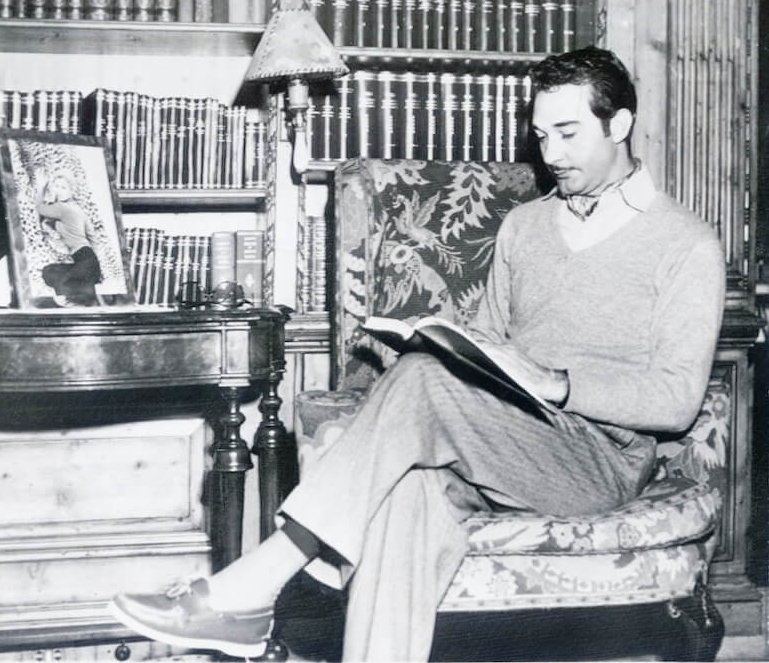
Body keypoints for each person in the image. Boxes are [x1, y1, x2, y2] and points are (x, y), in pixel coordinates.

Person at [107, 47, 726, 661]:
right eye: (541, 135)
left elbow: (675, 402)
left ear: (619, 124)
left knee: (425, 381)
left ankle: (257, 583)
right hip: (502, 440)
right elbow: (491, 345)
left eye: (569, 133)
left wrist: (558, 383)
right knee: (402, 493)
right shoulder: (525, 226)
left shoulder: (686, 243)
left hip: (596, 462)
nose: (551, 154)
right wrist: (463, 351)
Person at [36, 172, 103, 307]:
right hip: (90, 262)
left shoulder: (61, 208)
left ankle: (77, 302)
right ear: (52, 188)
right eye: (57, 186)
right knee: (49, 271)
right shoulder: (78, 210)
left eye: (64, 187)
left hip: (85, 261)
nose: (59, 190)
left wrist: (41, 187)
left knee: (62, 281)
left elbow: (39, 208)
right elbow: (93, 238)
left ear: (71, 191)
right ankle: (84, 299)